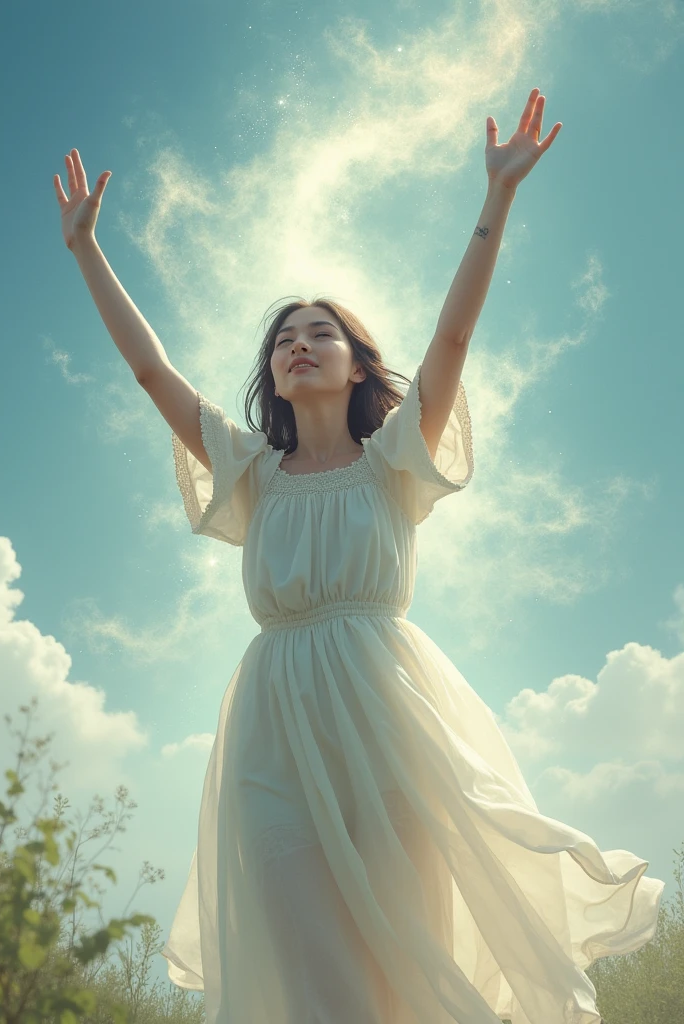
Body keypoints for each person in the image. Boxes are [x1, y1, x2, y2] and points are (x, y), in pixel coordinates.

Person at [55, 89, 663, 1024]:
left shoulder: (394, 464)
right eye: (284, 342)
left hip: (389, 717)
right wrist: (86, 250)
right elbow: (151, 371)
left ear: (357, 364)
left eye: (321, 333)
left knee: (400, 951)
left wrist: (497, 195)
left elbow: (453, 335)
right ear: (274, 377)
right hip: (272, 726)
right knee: (306, 962)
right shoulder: (250, 473)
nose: (300, 346)